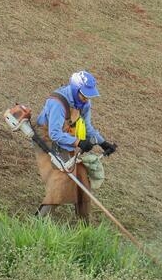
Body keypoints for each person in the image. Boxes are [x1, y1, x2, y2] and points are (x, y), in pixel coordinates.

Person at [33, 70, 117, 218]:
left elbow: (88, 127)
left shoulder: (84, 103)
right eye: (84, 95)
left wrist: (103, 143)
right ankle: (39, 221)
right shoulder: (57, 103)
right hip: (47, 140)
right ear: (75, 89)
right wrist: (78, 142)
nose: (86, 99)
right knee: (63, 179)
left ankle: (84, 227)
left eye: (89, 96)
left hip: (67, 140)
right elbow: (54, 134)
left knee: (83, 179)